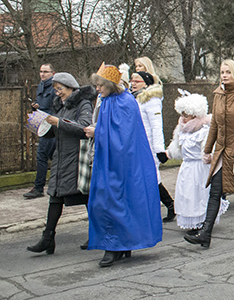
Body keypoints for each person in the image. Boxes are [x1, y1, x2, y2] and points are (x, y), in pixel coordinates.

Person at [85, 64, 162, 267]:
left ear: (110, 84)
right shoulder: (107, 101)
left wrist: (97, 132)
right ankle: (115, 245)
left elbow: (125, 137)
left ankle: (117, 246)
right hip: (107, 160)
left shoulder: (126, 102)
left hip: (124, 163)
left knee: (120, 202)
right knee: (103, 202)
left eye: (101, 85)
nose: (98, 89)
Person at [184, 60, 234, 248]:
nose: (224, 75)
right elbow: (215, 125)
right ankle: (206, 233)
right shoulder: (218, 95)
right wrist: (208, 149)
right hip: (222, 153)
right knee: (215, 190)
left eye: (228, 72)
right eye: (222, 72)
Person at [27, 73, 95, 254]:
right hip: (61, 157)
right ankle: (48, 238)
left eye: (60, 89)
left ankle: (96, 233)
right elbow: (57, 130)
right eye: (55, 89)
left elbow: (84, 128)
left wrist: (58, 121)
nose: (57, 93)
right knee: (55, 196)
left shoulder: (83, 103)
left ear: (71, 87)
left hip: (76, 158)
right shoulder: (60, 106)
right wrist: (41, 126)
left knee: (87, 197)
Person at [166, 91, 227, 232]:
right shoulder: (181, 129)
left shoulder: (204, 129)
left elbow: (209, 146)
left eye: (186, 115)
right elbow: (176, 147)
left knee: (198, 194)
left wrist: (208, 155)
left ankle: (201, 220)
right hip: (186, 167)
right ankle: (190, 219)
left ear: (195, 114)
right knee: (186, 194)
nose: (183, 119)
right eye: (182, 115)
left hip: (199, 167)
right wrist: (168, 153)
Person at [130, 71, 175, 222]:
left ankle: (160, 209)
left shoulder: (150, 99)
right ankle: (169, 205)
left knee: (151, 179)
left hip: (148, 146)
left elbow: (156, 126)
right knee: (150, 179)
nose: (133, 83)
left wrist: (159, 150)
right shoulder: (134, 98)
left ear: (146, 83)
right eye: (132, 80)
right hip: (137, 146)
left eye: (137, 81)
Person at [25, 63, 58, 199]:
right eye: (41, 71)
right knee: (50, 156)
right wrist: (35, 107)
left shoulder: (55, 87)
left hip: (50, 125)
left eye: (46, 72)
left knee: (42, 155)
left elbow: (55, 107)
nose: (42, 74)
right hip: (42, 124)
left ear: (52, 73)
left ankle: (39, 188)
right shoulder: (40, 85)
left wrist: (42, 107)